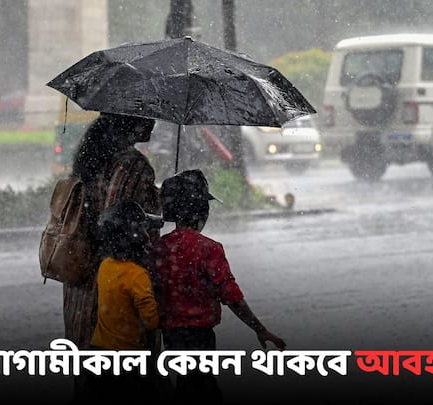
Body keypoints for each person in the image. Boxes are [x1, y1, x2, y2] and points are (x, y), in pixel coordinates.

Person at [151, 169, 287, 405]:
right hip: (200, 336)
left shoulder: (159, 248)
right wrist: (259, 328)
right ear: (201, 212)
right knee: (203, 389)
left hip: (171, 335)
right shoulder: (208, 248)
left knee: (187, 384)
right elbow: (231, 295)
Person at [64, 112, 161, 398]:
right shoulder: (131, 164)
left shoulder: (92, 158)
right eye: (150, 116)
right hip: (112, 285)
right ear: (134, 121)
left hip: (80, 281)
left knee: (88, 372)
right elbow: (118, 224)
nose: (154, 124)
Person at [81, 199, 163, 402]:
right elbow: (152, 321)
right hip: (127, 362)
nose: (148, 236)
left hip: (97, 356)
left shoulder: (105, 267)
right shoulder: (138, 276)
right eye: (144, 230)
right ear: (135, 237)